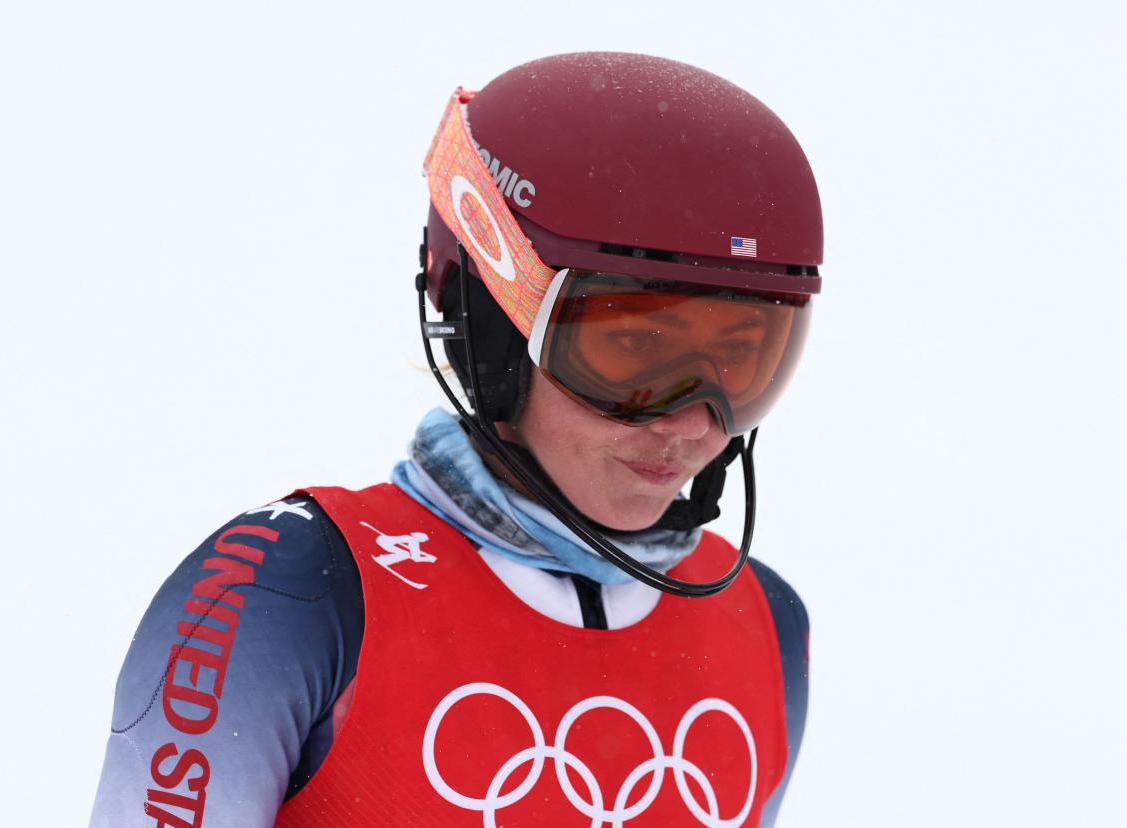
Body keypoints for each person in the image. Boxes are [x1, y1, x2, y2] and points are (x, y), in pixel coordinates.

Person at [90, 51, 823, 827]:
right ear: (493, 332)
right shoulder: (291, 588)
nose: (688, 422)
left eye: (741, 358)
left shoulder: (761, 622)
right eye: (635, 352)